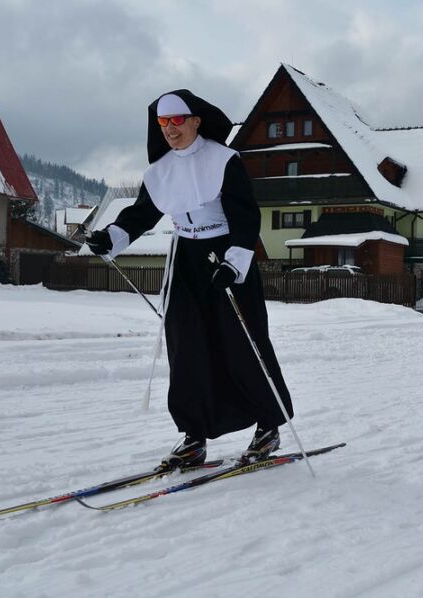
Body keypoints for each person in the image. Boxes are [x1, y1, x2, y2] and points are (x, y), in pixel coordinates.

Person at [85, 90, 294, 469]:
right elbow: (141, 215)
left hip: (226, 255)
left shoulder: (224, 160)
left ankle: (268, 426)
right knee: (186, 347)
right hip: (185, 259)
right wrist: (111, 237)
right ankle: (193, 437)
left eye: (177, 120)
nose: (170, 129)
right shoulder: (159, 171)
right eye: (163, 123)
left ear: (197, 120)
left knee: (242, 342)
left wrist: (235, 262)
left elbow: (245, 216)